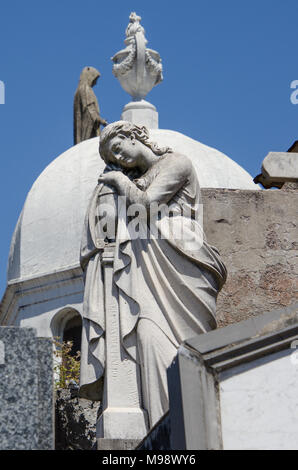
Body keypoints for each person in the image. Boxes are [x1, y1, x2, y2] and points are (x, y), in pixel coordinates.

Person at [79, 121, 227, 428]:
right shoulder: (134, 178)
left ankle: (193, 431)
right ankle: (165, 430)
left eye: (118, 149)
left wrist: (118, 181)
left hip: (182, 264)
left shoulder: (177, 163)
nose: (120, 159)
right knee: (146, 337)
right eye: (114, 158)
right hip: (145, 270)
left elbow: (146, 206)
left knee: (188, 349)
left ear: (133, 136)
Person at [73, 66, 107, 144]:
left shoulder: (79, 90)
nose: (96, 82)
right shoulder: (85, 89)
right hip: (88, 129)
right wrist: (99, 120)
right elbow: (89, 109)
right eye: (95, 79)